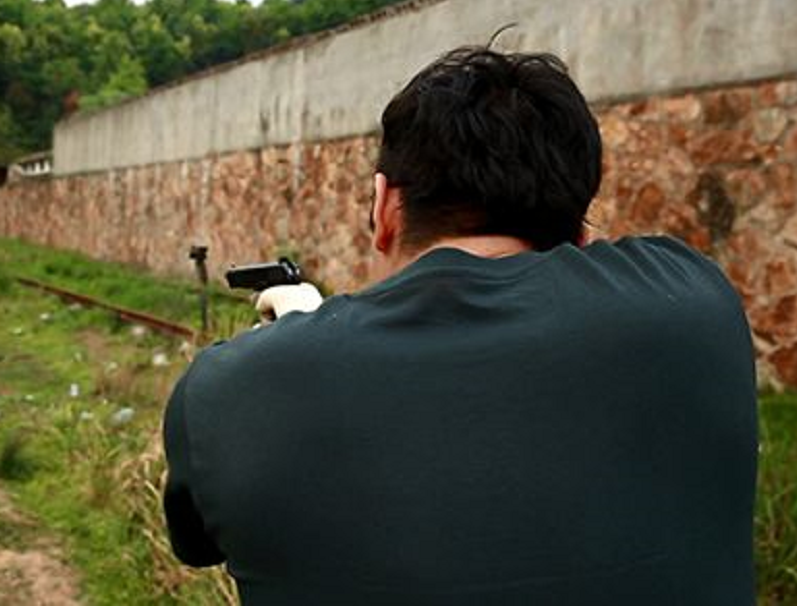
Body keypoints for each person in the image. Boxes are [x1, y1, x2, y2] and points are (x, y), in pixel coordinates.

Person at [162, 46, 758, 605]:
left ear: (384, 207)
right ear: (578, 221)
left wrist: (304, 333)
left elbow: (198, 542)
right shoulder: (696, 301)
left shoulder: (227, 390)